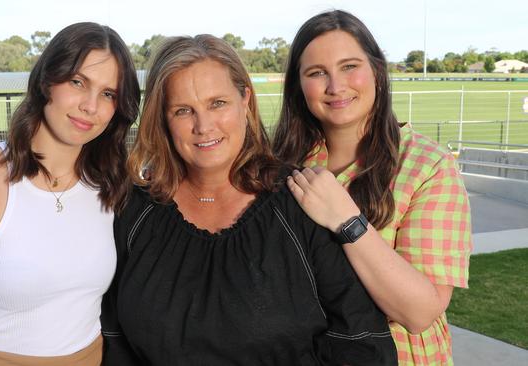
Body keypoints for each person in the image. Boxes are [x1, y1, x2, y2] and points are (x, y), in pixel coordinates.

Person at [100, 34, 397, 365]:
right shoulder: (133, 211)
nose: (203, 125)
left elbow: (361, 341)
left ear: (245, 99)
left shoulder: (303, 202)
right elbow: (113, 338)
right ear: (163, 119)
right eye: (183, 110)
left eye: (218, 103)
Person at [0, 22, 140, 366]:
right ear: (45, 80)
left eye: (108, 94)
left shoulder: (111, 185)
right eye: (78, 82)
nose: (90, 106)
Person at [272, 10, 472, 366]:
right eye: (317, 73)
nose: (336, 86)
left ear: (377, 70)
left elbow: (419, 313)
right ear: (298, 86)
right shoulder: (282, 165)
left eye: (349, 66)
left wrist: (347, 219)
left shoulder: (428, 165)